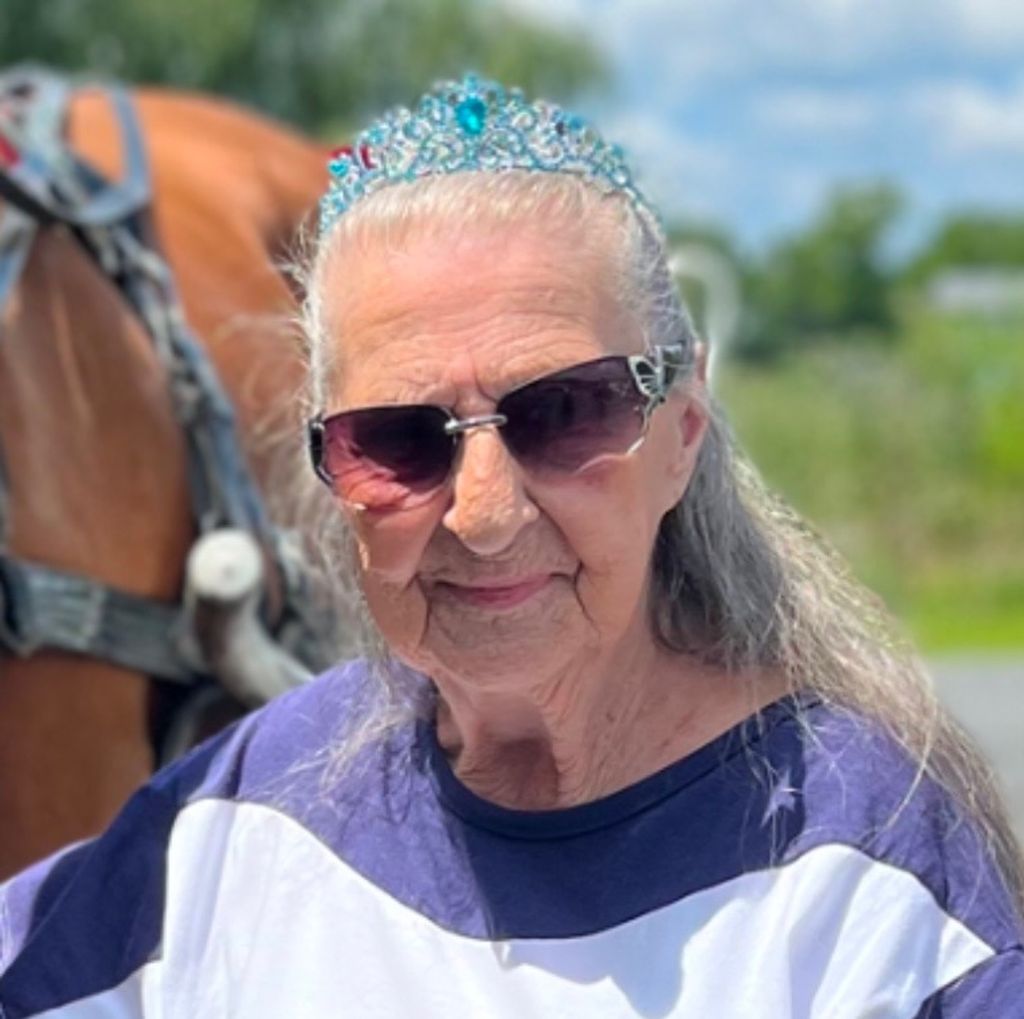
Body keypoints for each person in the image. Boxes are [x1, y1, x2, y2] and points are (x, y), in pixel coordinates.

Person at [1, 74, 1022, 1018]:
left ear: (682, 433)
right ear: (330, 471)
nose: (484, 513)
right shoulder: (225, 828)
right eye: (398, 439)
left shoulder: (871, 880)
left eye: (565, 411)